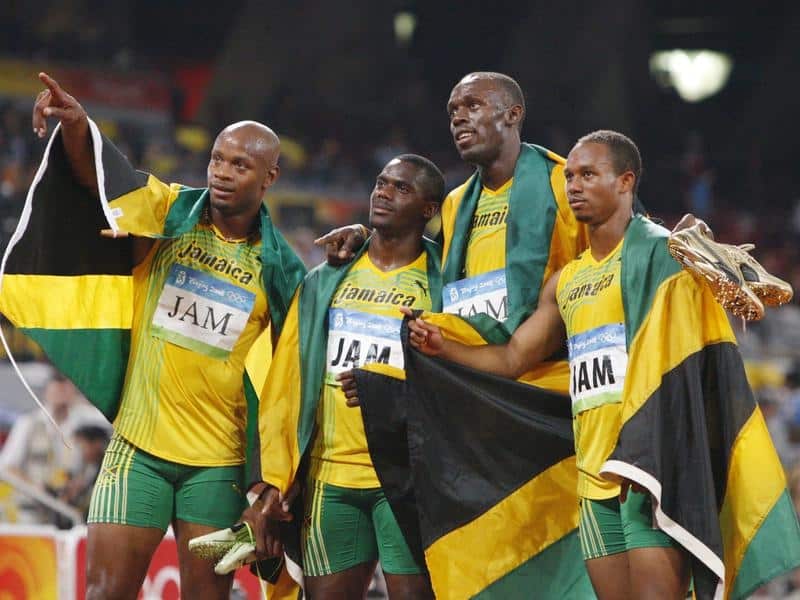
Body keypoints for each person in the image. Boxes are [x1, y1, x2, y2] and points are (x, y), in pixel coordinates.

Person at [403, 131, 800, 599]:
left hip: (650, 472)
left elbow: (714, 325)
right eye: (570, 176)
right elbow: (512, 358)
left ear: (625, 182)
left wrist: (698, 254)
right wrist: (444, 348)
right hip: (593, 478)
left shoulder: (661, 253)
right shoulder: (566, 281)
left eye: (588, 175)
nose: (573, 185)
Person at [27, 72, 305, 599]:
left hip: (218, 466)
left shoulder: (282, 269)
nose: (222, 172)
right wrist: (79, 127)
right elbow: (106, 180)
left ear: (269, 177)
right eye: (217, 159)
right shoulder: (170, 209)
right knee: (105, 592)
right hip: (138, 450)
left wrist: (272, 485)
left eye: (239, 165)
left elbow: (294, 375)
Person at [242, 154, 445, 599]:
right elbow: (288, 381)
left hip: (407, 479)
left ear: (429, 209)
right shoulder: (326, 278)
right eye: (381, 182)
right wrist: (274, 479)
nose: (384, 192)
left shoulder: (445, 280)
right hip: (330, 479)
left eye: (401, 188)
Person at [318, 72, 586, 364]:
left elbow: (607, 261)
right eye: (453, 111)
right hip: (472, 367)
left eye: (473, 105)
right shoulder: (456, 202)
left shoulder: (565, 186)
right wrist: (365, 238)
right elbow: (426, 261)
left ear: (513, 114)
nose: (458, 118)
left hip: (550, 374)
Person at [0, 371, 80, 524]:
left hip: (65, 510)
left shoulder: (78, 428)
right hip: (31, 510)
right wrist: (36, 488)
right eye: (57, 389)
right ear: (47, 392)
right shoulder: (29, 423)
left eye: (65, 389)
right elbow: (7, 466)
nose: (61, 394)